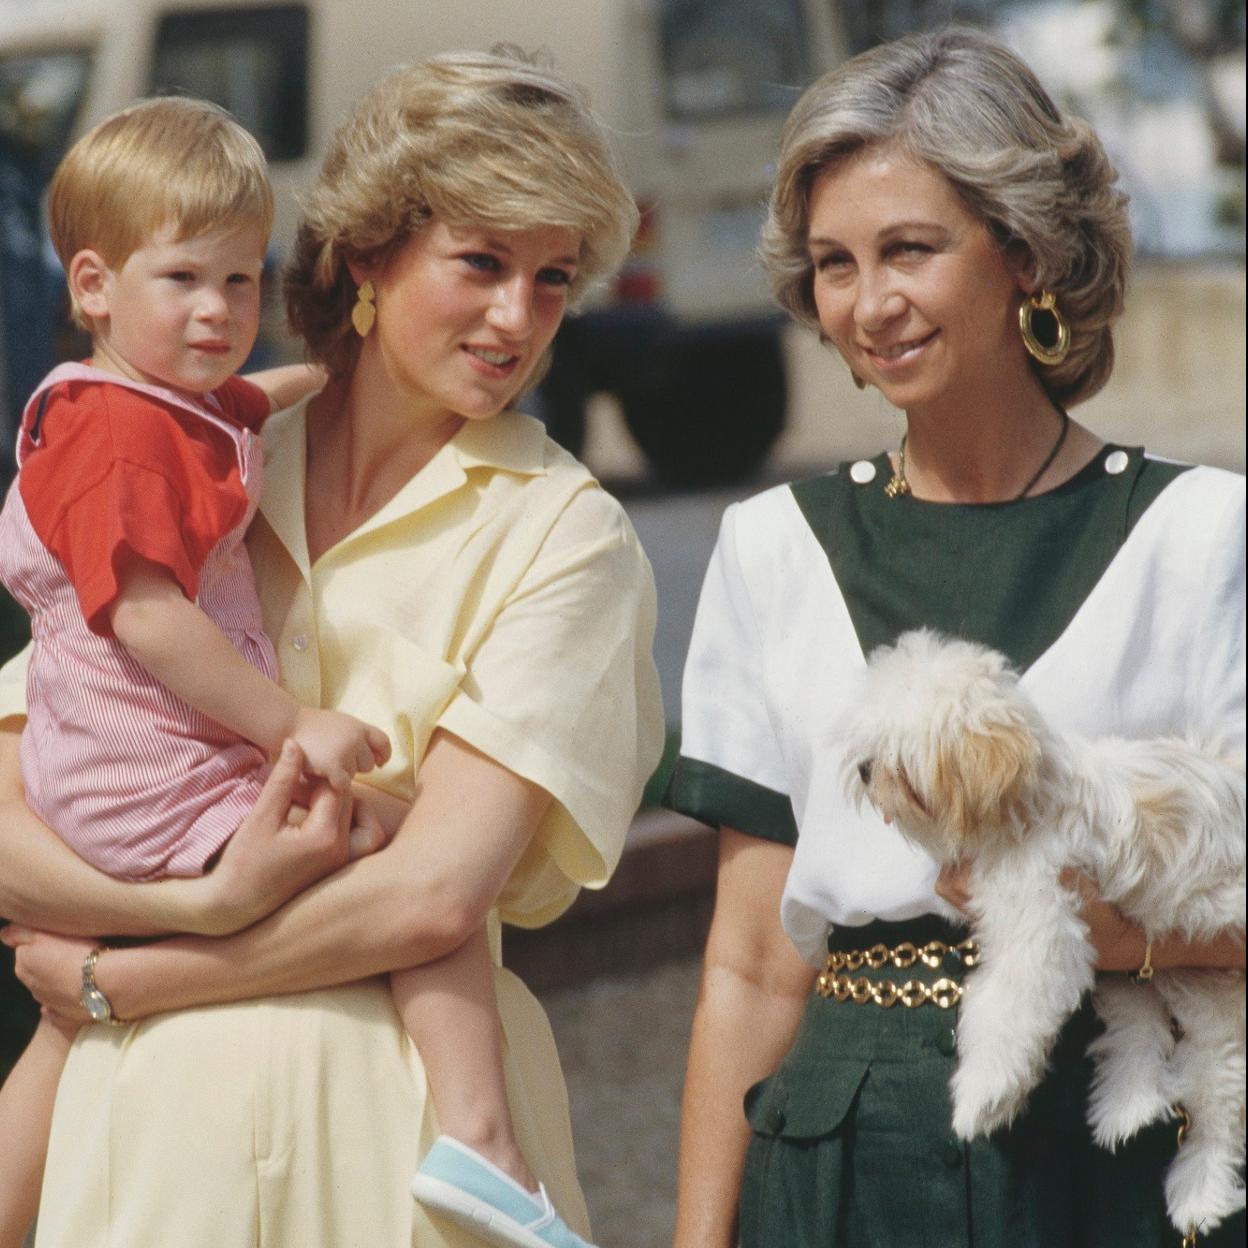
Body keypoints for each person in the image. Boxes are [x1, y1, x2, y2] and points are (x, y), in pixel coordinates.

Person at [0, 50, 663, 1248]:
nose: (518, 317)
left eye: (554, 279)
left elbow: (431, 896)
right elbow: (11, 819)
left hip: (401, 1163)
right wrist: (214, 904)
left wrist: (128, 972)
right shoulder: (173, 450)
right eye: (481, 261)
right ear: (368, 253)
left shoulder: (566, 538)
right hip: (147, 1160)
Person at [665, 28, 1245, 1248]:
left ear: (1026, 252)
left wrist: (1117, 939)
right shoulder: (771, 547)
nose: (870, 304)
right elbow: (751, 966)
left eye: (911, 250)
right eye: (834, 264)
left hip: (1111, 1146)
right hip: (838, 1154)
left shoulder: (1206, 534)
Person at [0, 95, 389, 1248]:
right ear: (92, 286)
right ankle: (480, 1135)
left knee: (67, 1036)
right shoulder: (117, 440)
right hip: (146, 772)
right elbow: (152, 620)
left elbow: (238, 406)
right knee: (398, 854)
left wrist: (339, 378)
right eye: (184, 280)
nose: (219, 310)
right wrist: (291, 725)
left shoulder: (146, 399)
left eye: (241, 278)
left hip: (110, 769)